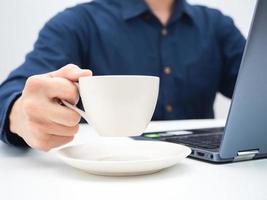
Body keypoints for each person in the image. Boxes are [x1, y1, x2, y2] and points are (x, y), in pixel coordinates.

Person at [0, 0, 246, 151]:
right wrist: (20, 113)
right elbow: (13, 91)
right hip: (100, 176)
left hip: (203, 175)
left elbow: (254, 91)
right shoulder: (76, 23)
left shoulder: (217, 25)